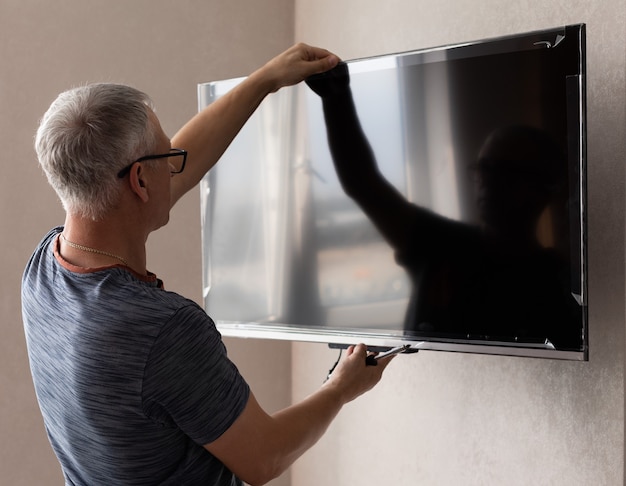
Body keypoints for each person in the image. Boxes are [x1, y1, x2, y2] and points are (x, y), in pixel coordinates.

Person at [22, 44, 394, 486]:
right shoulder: (163, 329)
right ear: (140, 180)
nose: (176, 163)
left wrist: (265, 80)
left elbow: (184, 162)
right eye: (166, 157)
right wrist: (341, 388)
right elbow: (265, 457)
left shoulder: (44, 270)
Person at [306, 63, 582, 350]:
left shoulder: (559, 283)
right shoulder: (441, 241)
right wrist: (335, 97)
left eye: (507, 171)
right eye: (483, 168)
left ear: (544, 187)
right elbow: (363, 184)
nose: (487, 181)